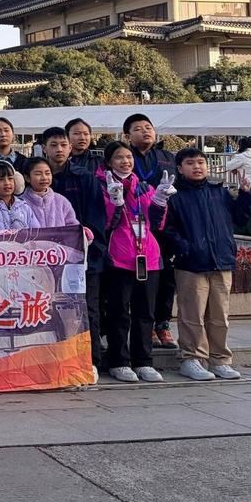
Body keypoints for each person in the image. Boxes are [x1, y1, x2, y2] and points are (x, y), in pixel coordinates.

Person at [163, 147, 251, 382]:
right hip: (191, 264)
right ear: (179, 168)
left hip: (221, 261)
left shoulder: (220, 192)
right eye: (190, 163)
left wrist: (246, 195)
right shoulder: (174, 196)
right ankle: (192, 358)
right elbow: (167, 229)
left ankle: (220, 359)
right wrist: (184, 247)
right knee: (191, 315)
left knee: (219, 316)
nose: (197, 167)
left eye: (200, 163)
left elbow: (240, 219)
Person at [97, 141, 170, 384]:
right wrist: (113, 202)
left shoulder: (145, 187)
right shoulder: (103, 185)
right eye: (119, 157)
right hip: (120, 256)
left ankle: (144, 361)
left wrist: (160, 202)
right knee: (119, 312)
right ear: (109, 161)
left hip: (148, 256)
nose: (125, 161)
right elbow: (107, 225)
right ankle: (119, 360)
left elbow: (157, 223)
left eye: (128, 157)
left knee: (145, 312)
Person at [41, 125, 109, 378]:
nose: (59, 149)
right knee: (51, 310)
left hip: (82, 257)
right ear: (44, 148)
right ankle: (54, 360)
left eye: (63, 145)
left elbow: (96, 217)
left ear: (70, 147)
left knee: (87, 308)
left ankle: (90, 360)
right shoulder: (37, 176)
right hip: (46, 261)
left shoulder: (85, 177)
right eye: (53, 145)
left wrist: (92, 250)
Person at [123, 113, 178, 351]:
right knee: (131, 280)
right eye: (138, 128)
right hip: (131, 229)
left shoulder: (167, 158)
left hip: (162, 228)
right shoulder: (124, 158)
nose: (145, 131)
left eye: (149, 127)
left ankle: (162, 324)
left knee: (165, 278)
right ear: (127, 136)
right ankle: (138, 327)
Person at [21, 158, 80, 227]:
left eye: (47, 173)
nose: (44, 177)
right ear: (27, 177)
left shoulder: (61, 201)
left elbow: (73, 227)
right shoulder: (20, 203)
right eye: (38, 174)